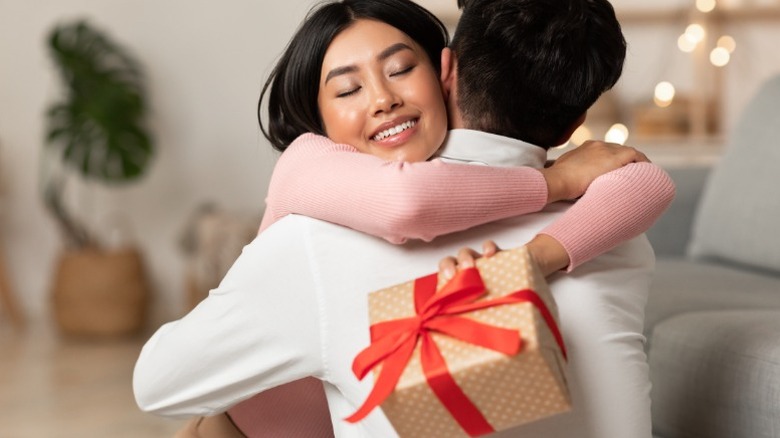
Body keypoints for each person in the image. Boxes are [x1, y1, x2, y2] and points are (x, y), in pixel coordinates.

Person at [134, 0, 673, 437]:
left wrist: (528, 258)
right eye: (348, 89)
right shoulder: (312, 179)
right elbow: (407, 203)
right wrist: (553, 187)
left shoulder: (591, 212)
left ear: (444, 72)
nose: (384, 99)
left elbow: (647, 181)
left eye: (401, 69)